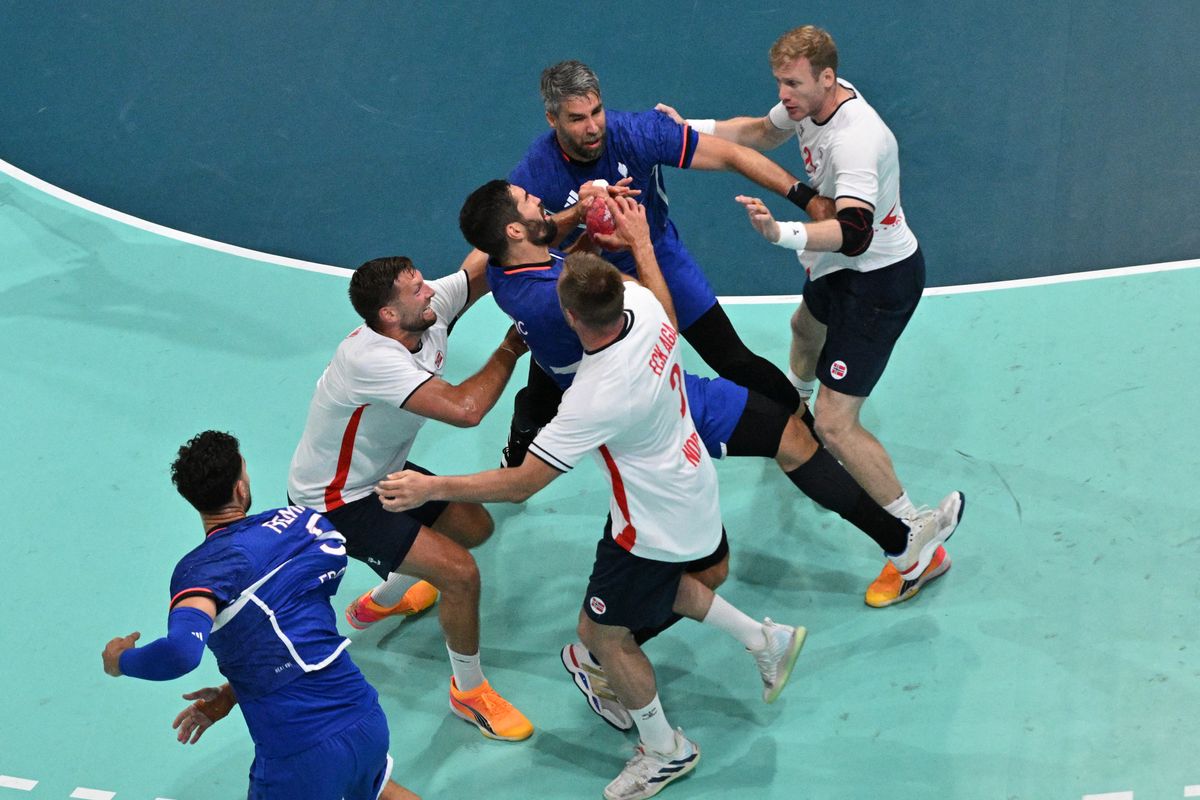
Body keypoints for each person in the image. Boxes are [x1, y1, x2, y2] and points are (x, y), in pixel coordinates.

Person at [376, 248, 805, 800]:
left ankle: (665, 751)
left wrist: (433, 486)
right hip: (690, 483)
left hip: (647, 525)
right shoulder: (648, 310)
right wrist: (640, 247)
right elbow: (668, 314)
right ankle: (762, 638)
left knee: (599, 634)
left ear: (571, 318)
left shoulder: (593, 395)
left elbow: (523, 482)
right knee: (661, 590)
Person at [459, 178, 960, 637]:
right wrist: (637, 242)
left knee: (792, 437)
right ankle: (607, 648)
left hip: (663, 388)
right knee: (707, 564)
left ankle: (904, 548)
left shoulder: (505, 270)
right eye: (529, 202)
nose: (542, 202)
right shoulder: (550, 299)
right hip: (645, 408)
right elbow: (660, 315)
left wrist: (584, 217)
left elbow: (541, 249)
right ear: (514, 229)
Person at [658, 25, 964, 606]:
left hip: (878, 281)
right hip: (836, 271)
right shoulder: (812, 99)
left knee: (835, 424)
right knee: (803, 329)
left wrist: (780, 233)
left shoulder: (856, 141)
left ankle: (917, 543)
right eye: (780, 82)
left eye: (793, 83)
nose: (784, 94)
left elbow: (852, 233)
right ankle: (792, 398)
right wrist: (686, 130)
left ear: (827, 78)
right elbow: (759, 132)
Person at [498, 58, 825, 470]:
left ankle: (812, 434)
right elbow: (516, 242)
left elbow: (733, 156)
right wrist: (577, 214)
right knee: (544, 390)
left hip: (655, 254)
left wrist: (808, 199)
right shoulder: (535, 172)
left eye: (596, 112)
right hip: (584, 276)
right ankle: (520, 448)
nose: (593, 127)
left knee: (733, 359)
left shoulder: (636, 133)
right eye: (577, 119)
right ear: (552, 119)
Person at [286, 255, 533, 741]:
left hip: (382, 474)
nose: (430, 293)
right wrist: (510, 347)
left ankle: (385, 598)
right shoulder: (373, 359)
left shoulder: (425, 311)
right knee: (459, 573)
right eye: (416, 290)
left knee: (475, 528)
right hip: (336, 501)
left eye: (422, 281)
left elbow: (481, 267)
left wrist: (550, 218)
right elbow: (465, 410)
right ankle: (469, 690)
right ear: (389, 316)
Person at [101, 431, 419, 799]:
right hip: (361, 716)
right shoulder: (305, 526)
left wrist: (120, 660)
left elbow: (181, 653)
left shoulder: (202, 571)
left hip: (298, 749)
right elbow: (287, 623)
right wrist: (234, 691)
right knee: (378, 789)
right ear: (240, 489)